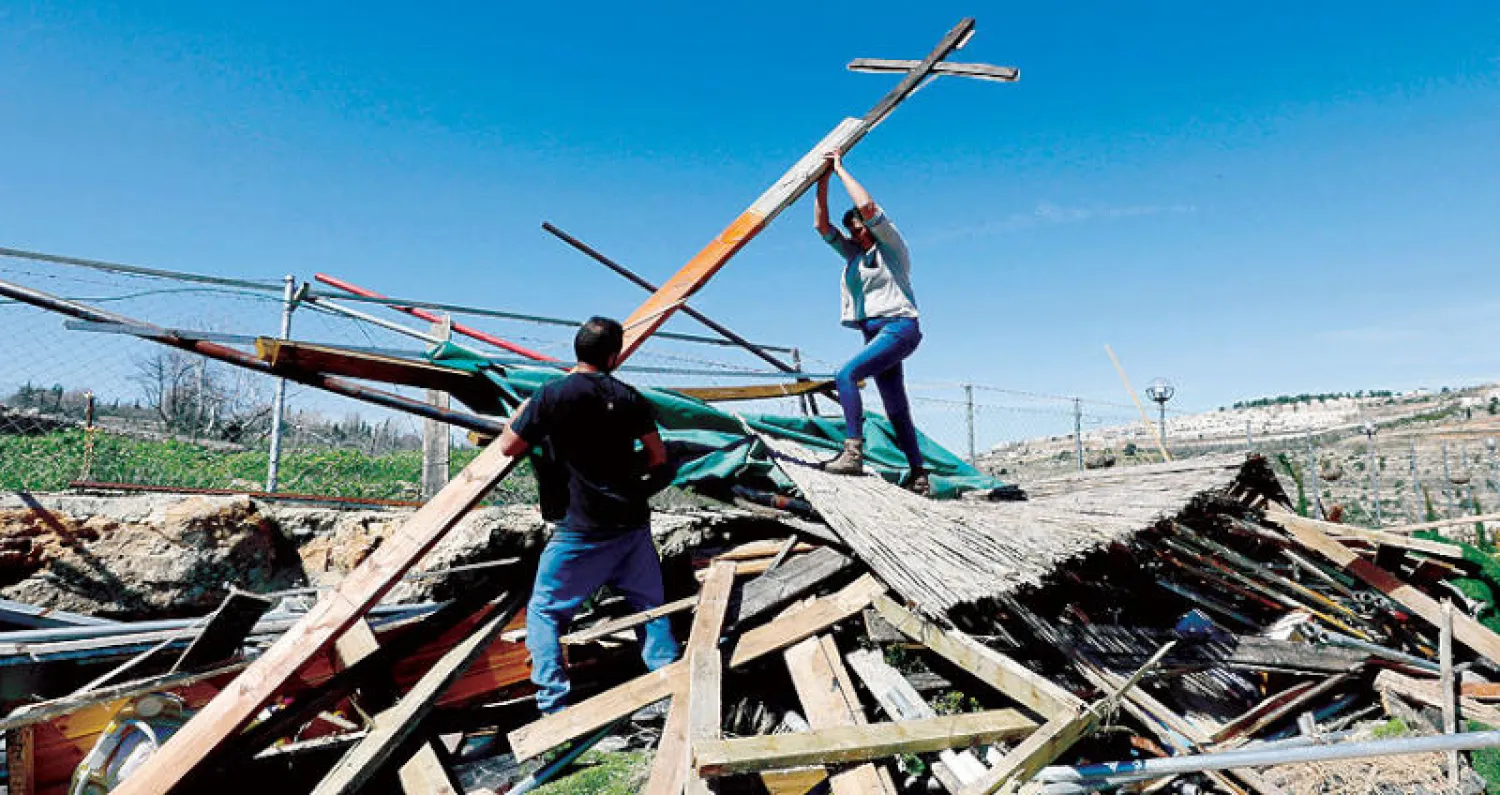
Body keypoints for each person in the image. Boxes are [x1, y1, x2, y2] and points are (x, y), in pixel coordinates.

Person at [498, 316, 679, 714]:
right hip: (630, 524)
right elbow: (657, 456)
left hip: (580, 528)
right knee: (650, 607)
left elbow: (508, 446)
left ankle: (554, 709)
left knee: (545, 611)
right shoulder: (629, 398)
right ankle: (672, 695)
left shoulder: (551, 395)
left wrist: (528, 411)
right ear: (613, 357)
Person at [813, 149, 930, 496]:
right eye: (851, 231)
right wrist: (821, 182)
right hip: (873, 333)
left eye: (859, 228)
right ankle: (919, 474)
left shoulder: (891, 247)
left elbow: (866, 206)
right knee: (896, 407)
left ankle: (853, 454)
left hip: (899, 327)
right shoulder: (854, 255)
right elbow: (822, 227)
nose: (855, 234)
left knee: (845, 375)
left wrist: (839, 169)